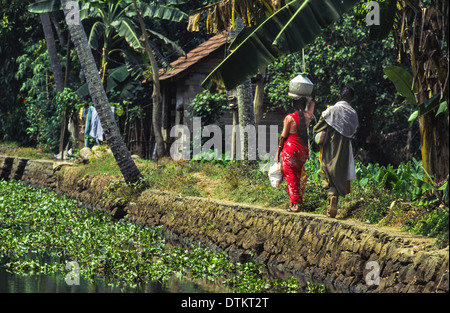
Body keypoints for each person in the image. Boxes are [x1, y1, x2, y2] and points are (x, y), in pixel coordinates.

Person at [312, 86, 359, 218]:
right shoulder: (353, 114)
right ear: (351, 99)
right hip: (345, 148)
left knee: (326, 171)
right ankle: (334, 203)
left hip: (330, 146)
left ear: (339, 96)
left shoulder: (331, 111)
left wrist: (318, 135)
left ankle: (331, 198)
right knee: (339, 173)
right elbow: (354, 130)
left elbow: (317, 128)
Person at [275, 95, 316, 212]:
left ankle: (295, 204)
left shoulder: (289, 118)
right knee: (296, 175)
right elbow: (313, 102)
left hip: (291, 150)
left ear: (293, 105)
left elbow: (283, 136)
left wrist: (277, 152)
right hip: (302, 151)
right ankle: (292, 203)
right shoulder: (308, 116)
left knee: (290, 175)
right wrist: (313, 91)